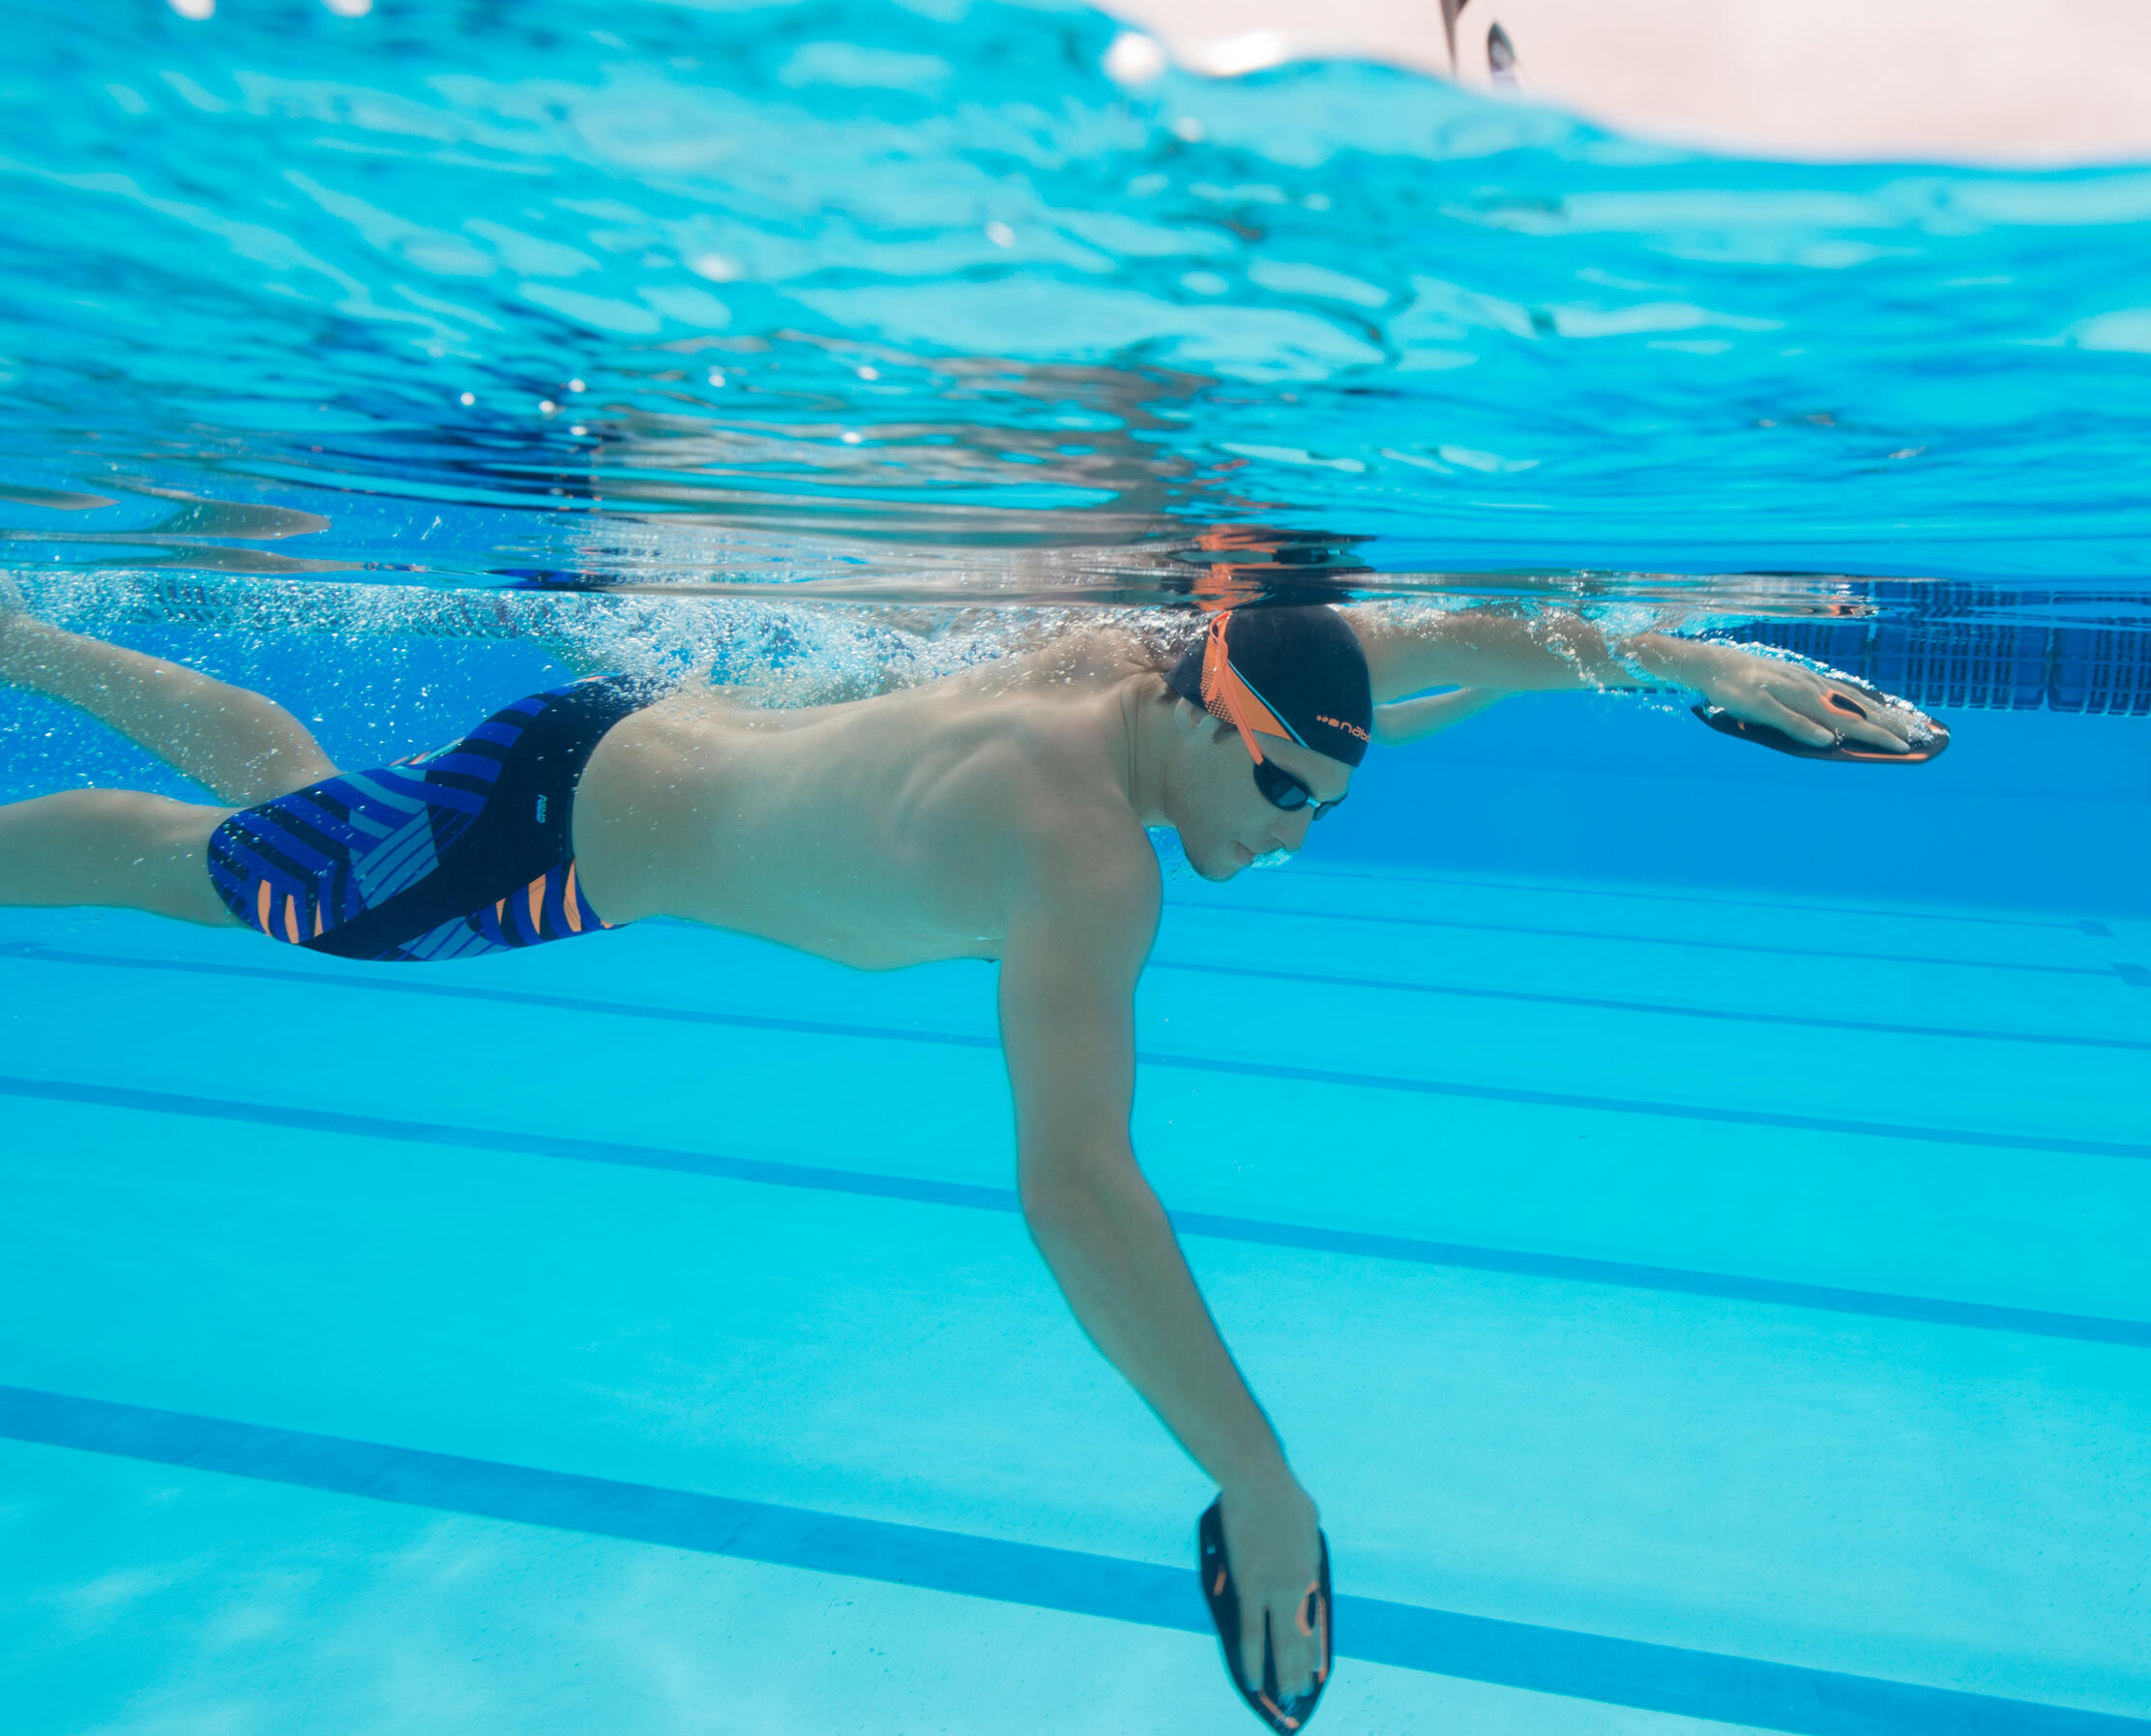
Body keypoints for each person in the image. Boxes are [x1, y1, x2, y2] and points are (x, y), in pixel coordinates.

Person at [0, 585, 1930, 1718]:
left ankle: (19, 629)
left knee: (304, 831)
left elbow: (1450, 652)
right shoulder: (1076, 846)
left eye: (1331, 802)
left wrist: (1698, 665)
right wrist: (1260, 1481)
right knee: (224, 882)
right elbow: (1077, 1190)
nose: (1291, 831)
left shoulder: (1159, 666)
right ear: (1206, 720)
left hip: (614, 755)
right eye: (1276, 787)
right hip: (557, 834)